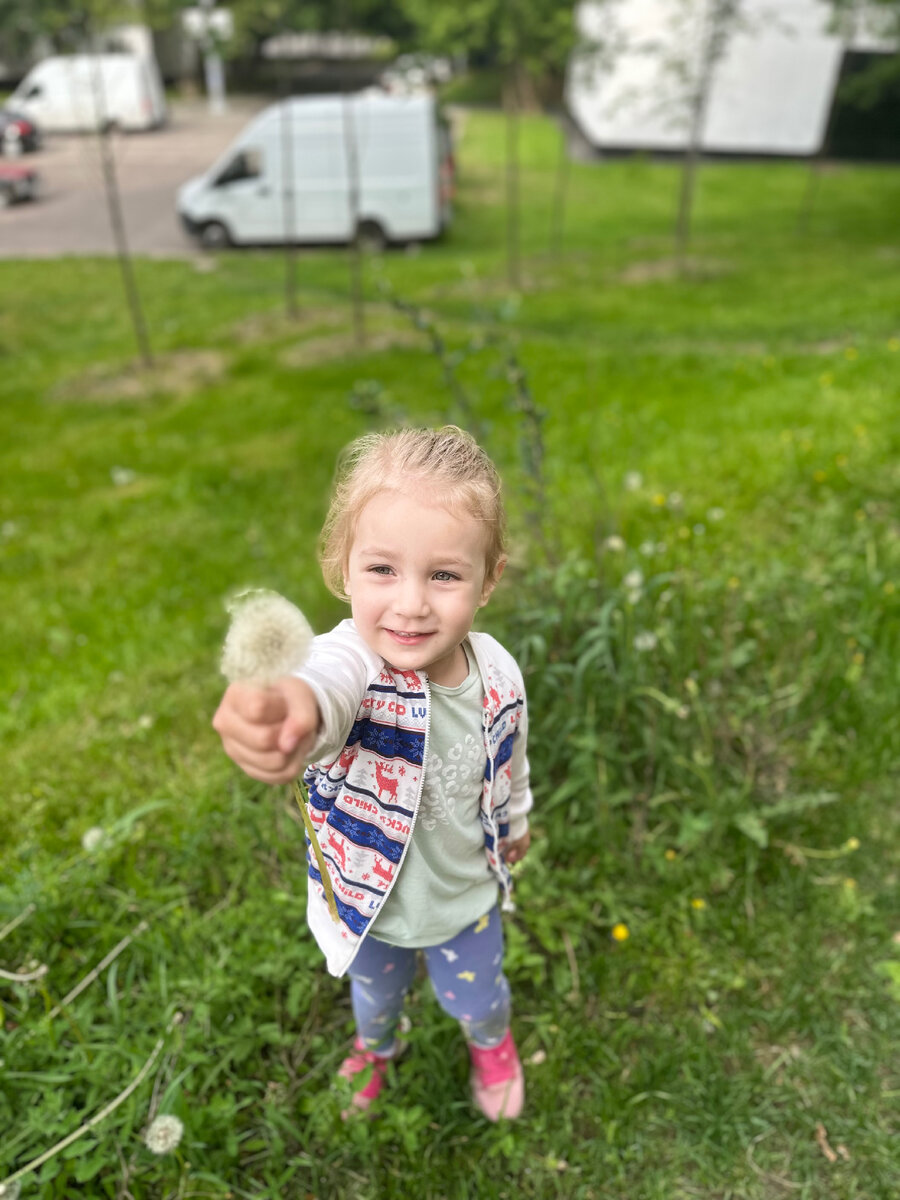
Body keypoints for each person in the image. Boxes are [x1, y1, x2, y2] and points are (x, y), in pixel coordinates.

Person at [212, 426, 533, 1121]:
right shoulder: (351, 663)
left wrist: (517, 822)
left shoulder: (498, 672)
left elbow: (510, 759)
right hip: (370, 911)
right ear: (343, 567)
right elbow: (322, 690)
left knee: (478, 994)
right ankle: (374, 1048)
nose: (412, 603)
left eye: (444, 574)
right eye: (383, 570)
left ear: (489, 580)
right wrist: (289, 708)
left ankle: (490, 1043)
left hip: (464, 900)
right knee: (376, 996)